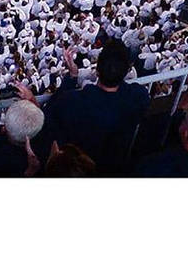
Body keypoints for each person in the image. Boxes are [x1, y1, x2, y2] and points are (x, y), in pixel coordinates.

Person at [39, 38, 147, 175]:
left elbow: (49, 112)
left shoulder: (72, 101)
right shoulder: (138, 97)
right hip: (113, 168)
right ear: (126, 73)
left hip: (77, 169)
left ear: (97, 71)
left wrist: (72, 77)